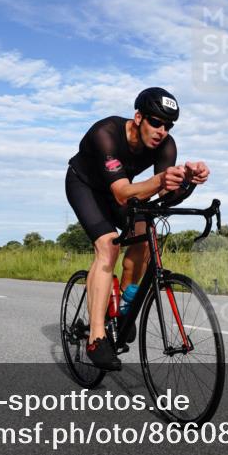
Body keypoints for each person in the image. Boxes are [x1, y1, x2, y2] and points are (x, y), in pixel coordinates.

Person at [65, 87, 210, 370]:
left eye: (168, 125)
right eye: (156, 122)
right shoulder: (105, 133)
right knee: (108, 247)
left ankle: (124, 310)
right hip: (85, 186)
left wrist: (187, 182)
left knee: (143, 236)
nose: (162, 131)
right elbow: (122, 194)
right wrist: (161, 180)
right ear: (138, 117)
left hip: (123, 190)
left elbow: (164, 199)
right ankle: (96, 337)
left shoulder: (166, 145)